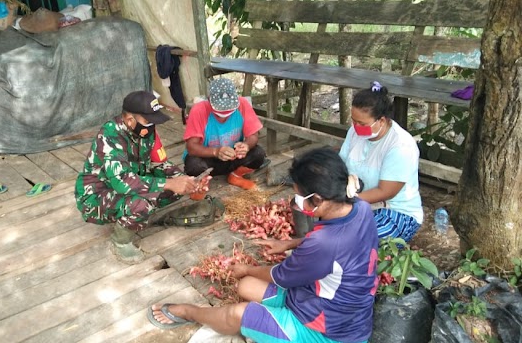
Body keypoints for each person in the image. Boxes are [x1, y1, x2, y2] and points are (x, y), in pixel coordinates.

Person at [148, 148, 379, 343]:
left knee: (237, 312)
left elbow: (281, 276)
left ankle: (189, 312)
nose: (297, 202)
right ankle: (265, 324)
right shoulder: (360, 208)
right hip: (319, 302)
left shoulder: (324, 243)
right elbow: (336, 251)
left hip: (328, 332)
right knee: (246, 287)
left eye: (299, 196)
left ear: (317, 199)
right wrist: (289, 242)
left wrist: (246, 268)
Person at [74, 91, 209, 264]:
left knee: (176, 187)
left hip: (134, 180)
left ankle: (134, 213)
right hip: (96, 195)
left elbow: (161, 164)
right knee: (142, 203)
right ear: (130, 119)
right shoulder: (110, 136)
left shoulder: (146, 131)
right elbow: (123, 182)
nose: (152, 125)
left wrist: (187, 180)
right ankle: (120, 241)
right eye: (148, 121)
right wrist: (169, 183)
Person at [339, 81, 423, 242]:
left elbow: (386, 192)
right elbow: (341, 163)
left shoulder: (400, 145)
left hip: (395, 212)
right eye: (353, 121)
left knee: (350, 241)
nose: (356, 127)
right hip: (361, 204)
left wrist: (345, 201)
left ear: (382, 121)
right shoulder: (355, 132)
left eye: (362, 124)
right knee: (327, 229)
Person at [183, 78, 266, 193]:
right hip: (208, 159)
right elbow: (191, 147)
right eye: (219, 113)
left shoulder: (242, 104)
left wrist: (246, 146)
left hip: (234, 157)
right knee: (193, 165)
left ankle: (235, 176)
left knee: (258, 154)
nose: (224, 117)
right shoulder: (198, 110)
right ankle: (202, 185)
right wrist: (216, 152)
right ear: (209, 100)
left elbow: (253, 135)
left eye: (229, 112)